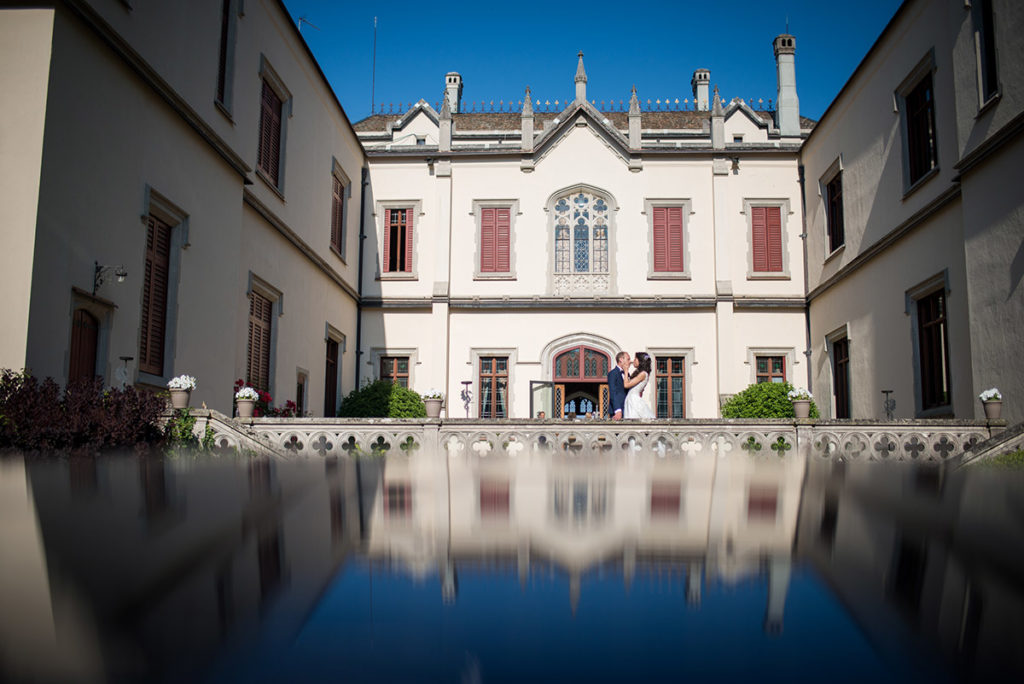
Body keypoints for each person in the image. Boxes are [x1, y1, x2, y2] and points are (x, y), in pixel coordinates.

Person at [624, 351, 655, 420]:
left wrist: (626, 370)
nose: (633, 361)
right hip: (631, 398)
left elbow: (626, 385)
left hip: (634, 399)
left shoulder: (643, 374)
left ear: (640, 361)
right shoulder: (640, 373)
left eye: (635, 359)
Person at [606, 351, 630, 420]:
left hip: (627, 409)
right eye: (628, 359)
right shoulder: (613, 373)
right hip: (617, 411)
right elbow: (613, 392)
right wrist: (618, 410)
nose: (629, 361)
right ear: (621, 360)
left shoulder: (627, 374)